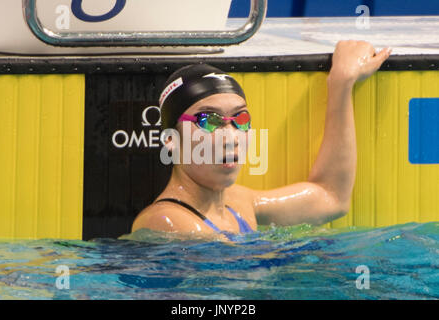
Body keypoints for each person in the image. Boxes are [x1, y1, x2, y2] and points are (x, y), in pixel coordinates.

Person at [132, 40, 392, 240]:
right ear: (171, 140)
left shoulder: (239, 203)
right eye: (208, 121)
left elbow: (331, 197)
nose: (230, 137)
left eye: (240, 119)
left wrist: (342, 82)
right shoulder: (165, 222)